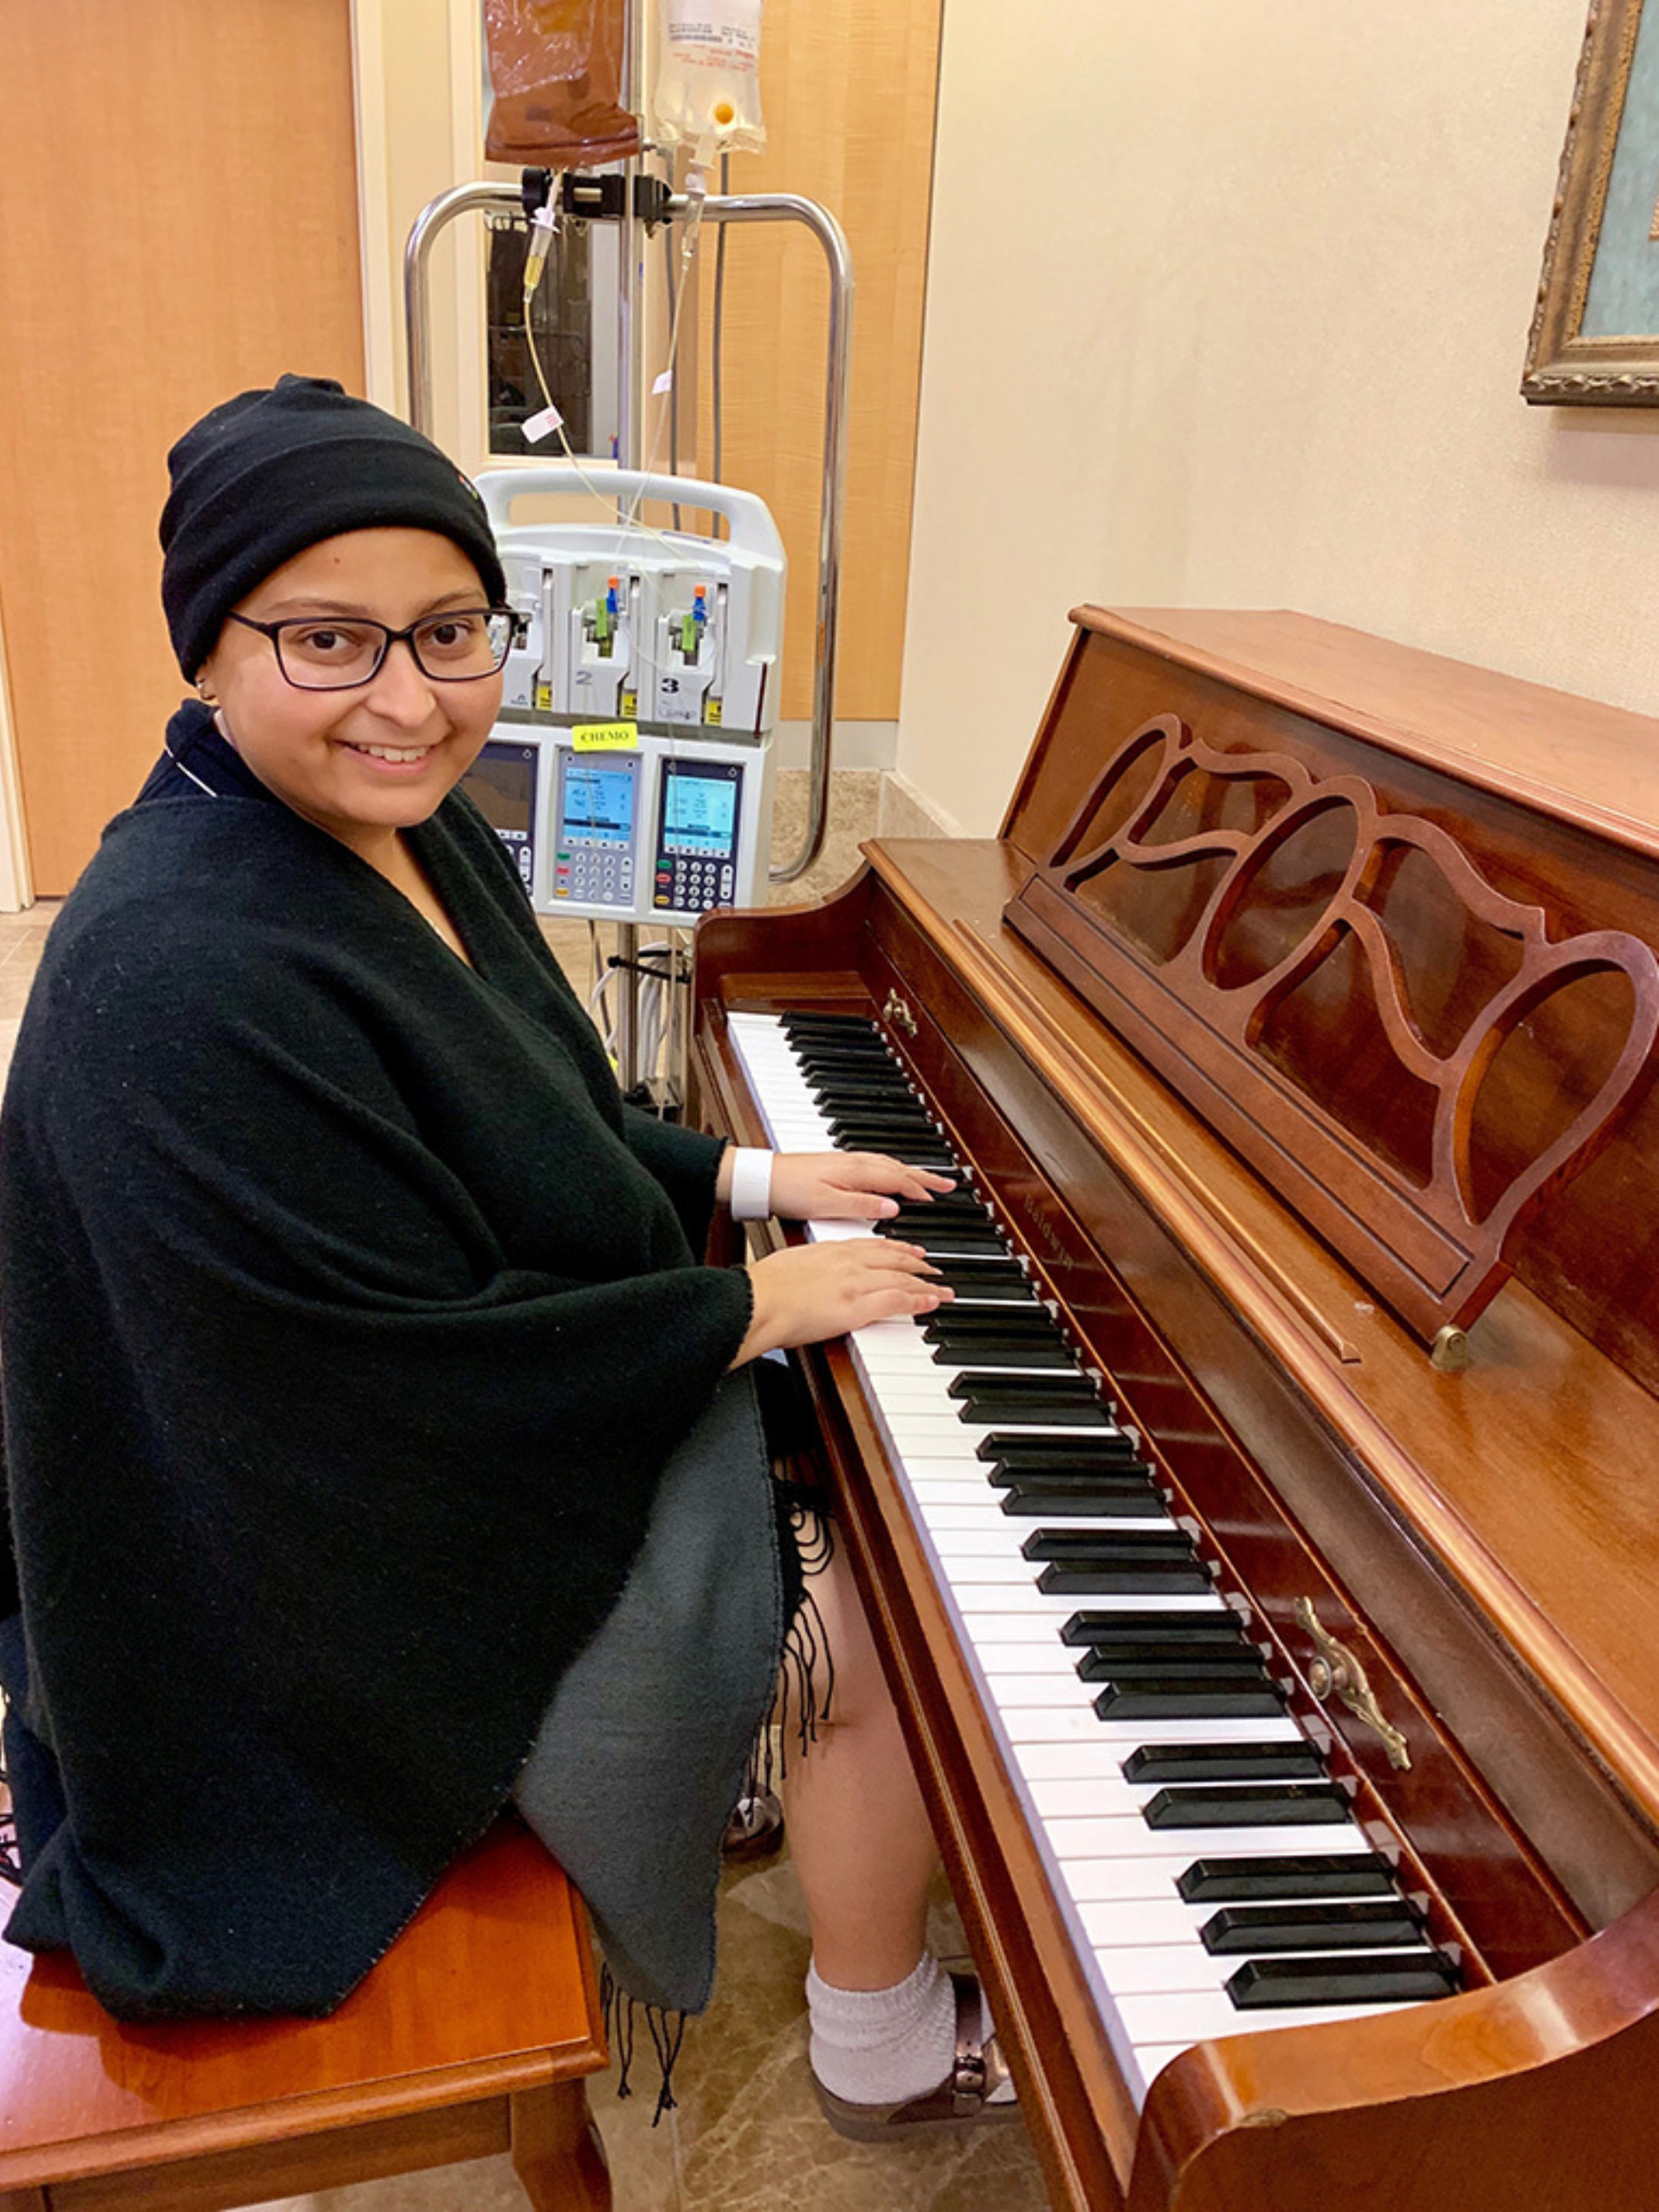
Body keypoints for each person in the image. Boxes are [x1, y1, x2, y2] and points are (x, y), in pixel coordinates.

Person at [0, 376, 1017, 2136]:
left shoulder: (397, 825)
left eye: (451, 631)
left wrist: (755, 1174)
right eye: (328, 641)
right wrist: (745, 1302)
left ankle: (770, 1832)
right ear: (211, 656)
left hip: (410, 1429)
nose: (410, 698)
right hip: (278, 1592)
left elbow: (535, 1115)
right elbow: (364, 1391)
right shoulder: (171, 972)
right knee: (885, 1596)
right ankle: (880, 2031)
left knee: (862, 1447)